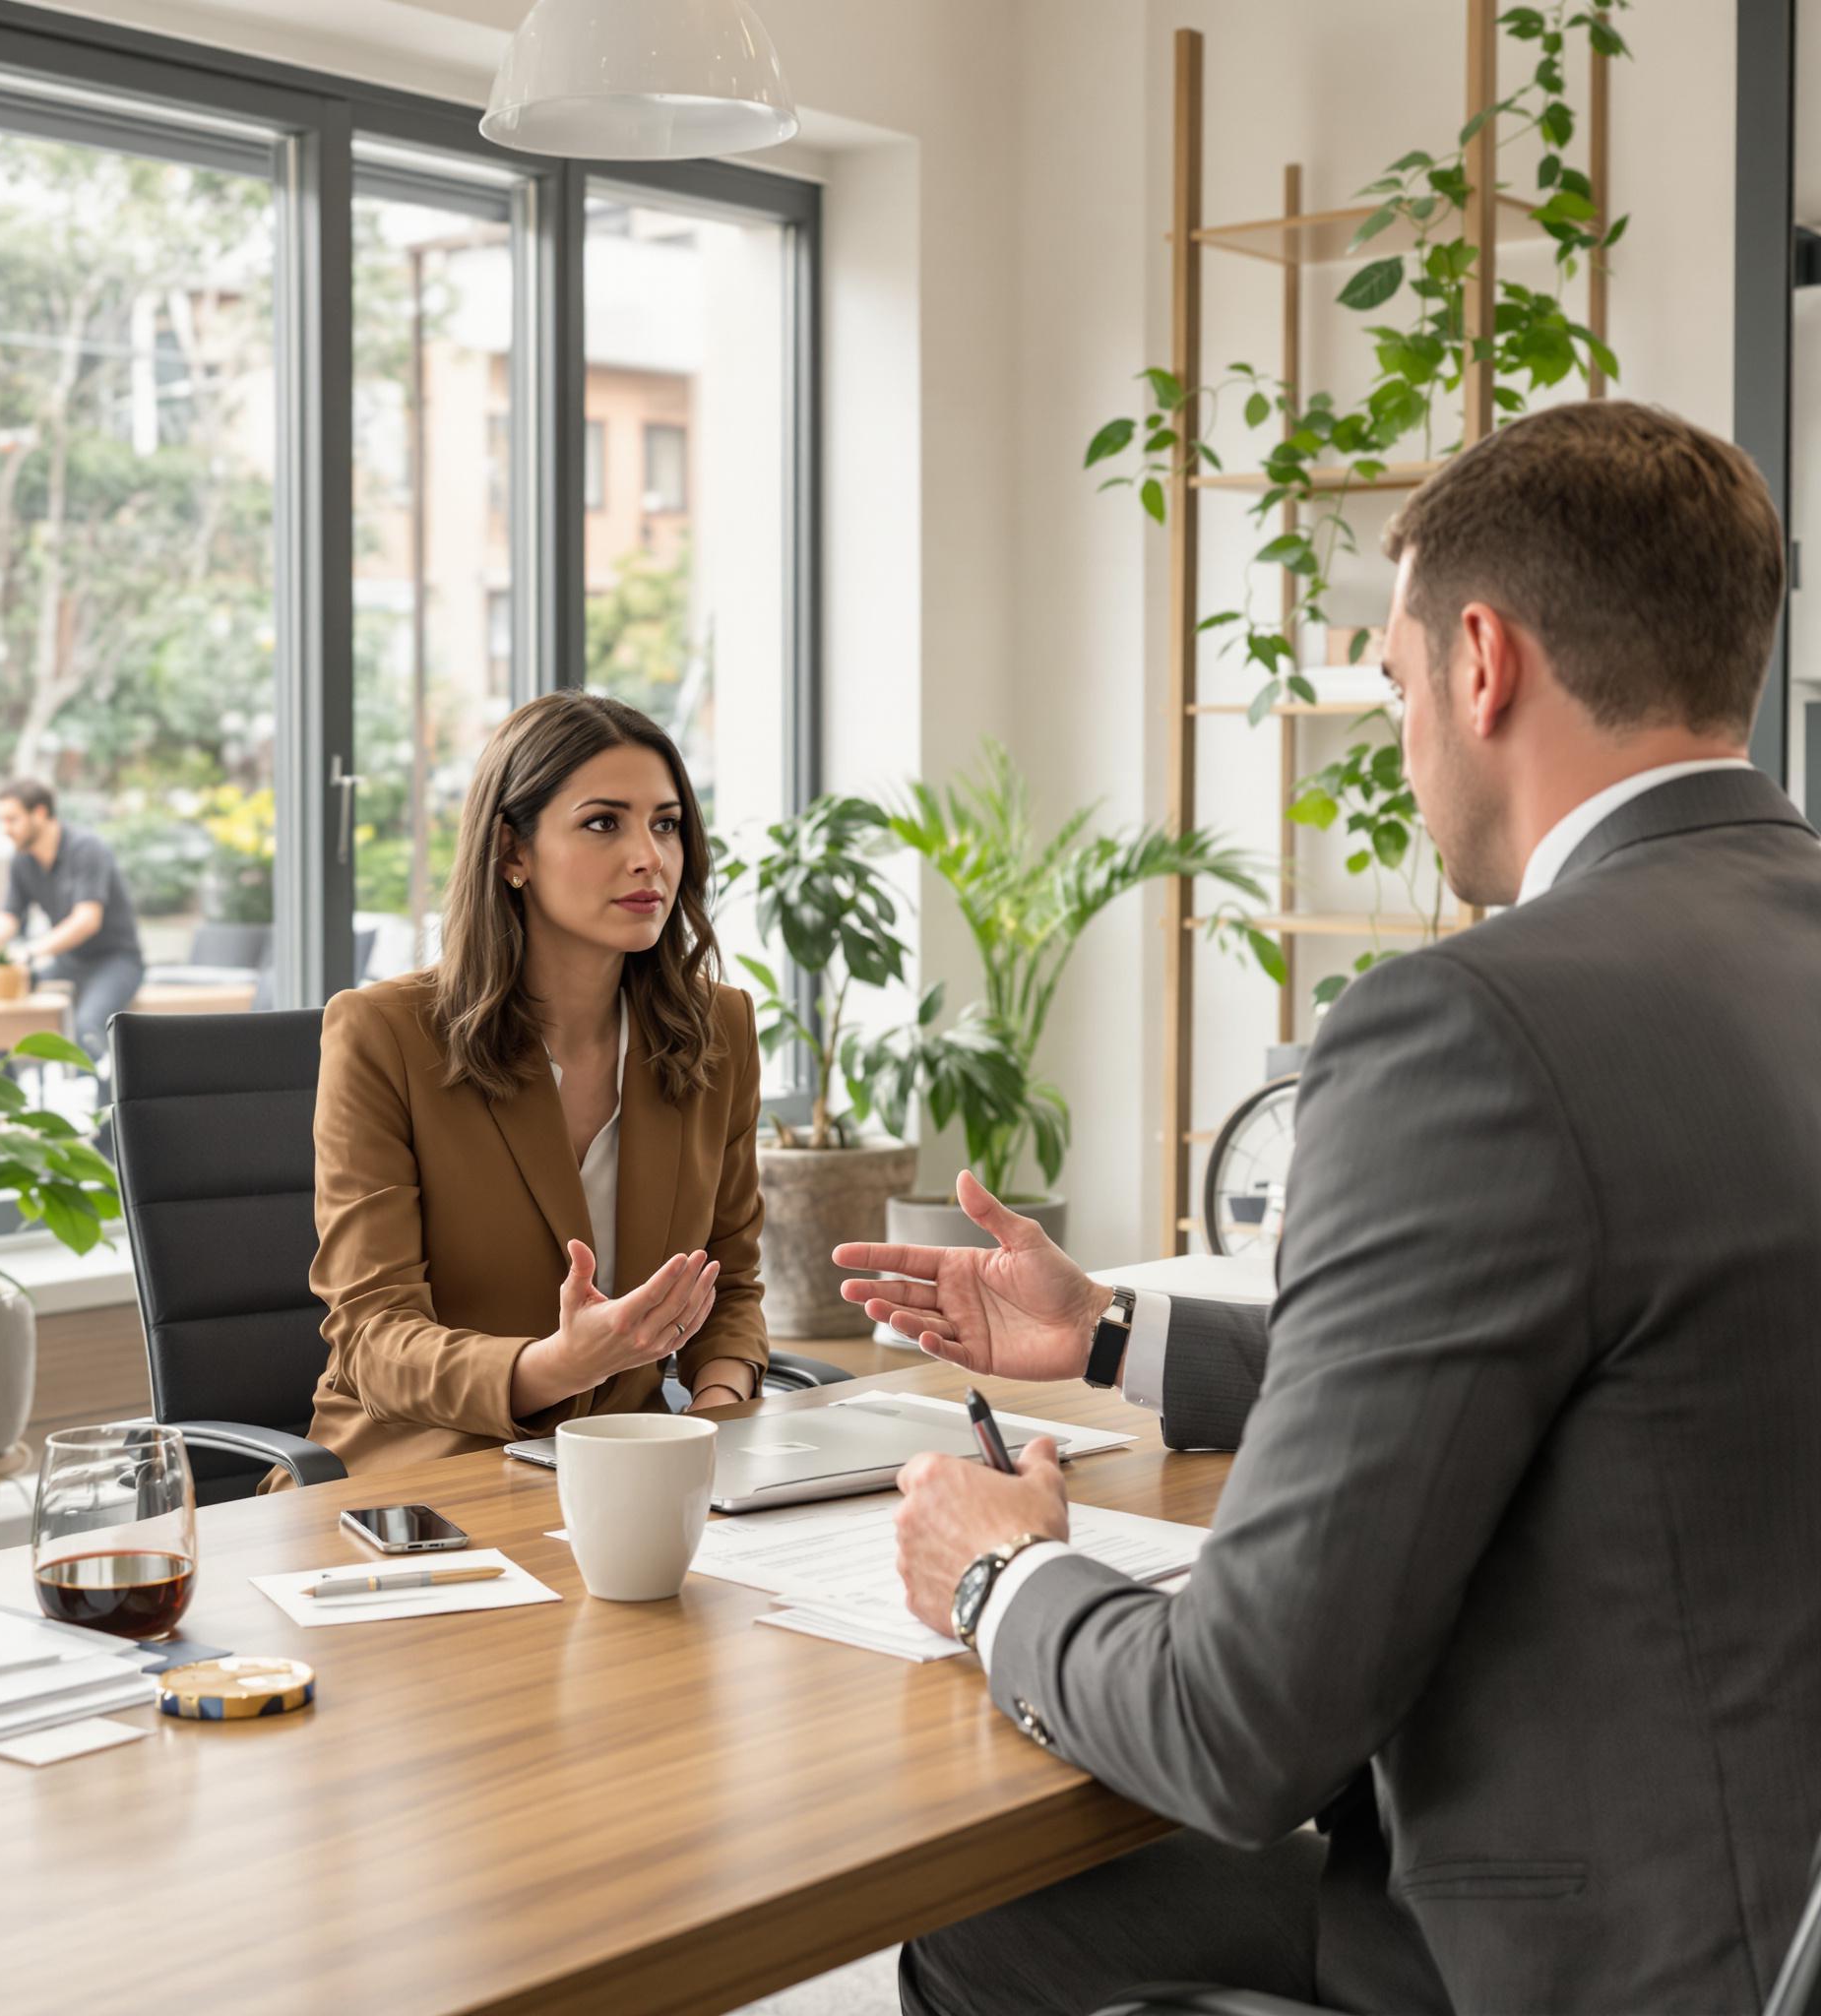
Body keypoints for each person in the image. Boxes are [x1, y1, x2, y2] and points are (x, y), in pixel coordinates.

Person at [838, 402, 1821, 2016]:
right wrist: (1105, 1332)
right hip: (1759, 1899)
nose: (1401, 735)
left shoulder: (1475, 1026)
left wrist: (994, 1574)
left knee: (1002, 1914)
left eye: (1389, 682)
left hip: (1574, 1957)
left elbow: (1236, 1729)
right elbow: (1600, 1338)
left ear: (1479, 662)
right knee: (1011, 1923)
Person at [288, 690, 768, 1482]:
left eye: (667, 822)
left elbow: (733, 1283)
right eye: (603, 823)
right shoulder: (384, 1035)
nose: (649, 855)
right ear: (512, 852)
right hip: (423, 1474)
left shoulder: (718, 1030)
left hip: (633, 1475)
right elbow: (373, 1339)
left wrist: (719, 1411)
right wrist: (552, 1366)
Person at [0, 778, 144, 1064]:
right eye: (2, 820)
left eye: (12, 819)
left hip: (115, 961)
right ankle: (6, 1101)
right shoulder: (22, 861)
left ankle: (106, 1107)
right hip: (69, 962)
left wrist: (30, 951)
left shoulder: (87, 848)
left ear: (40, 813)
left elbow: (87, 919)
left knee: (89, 1027)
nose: (6, 829)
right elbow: (9, 915)